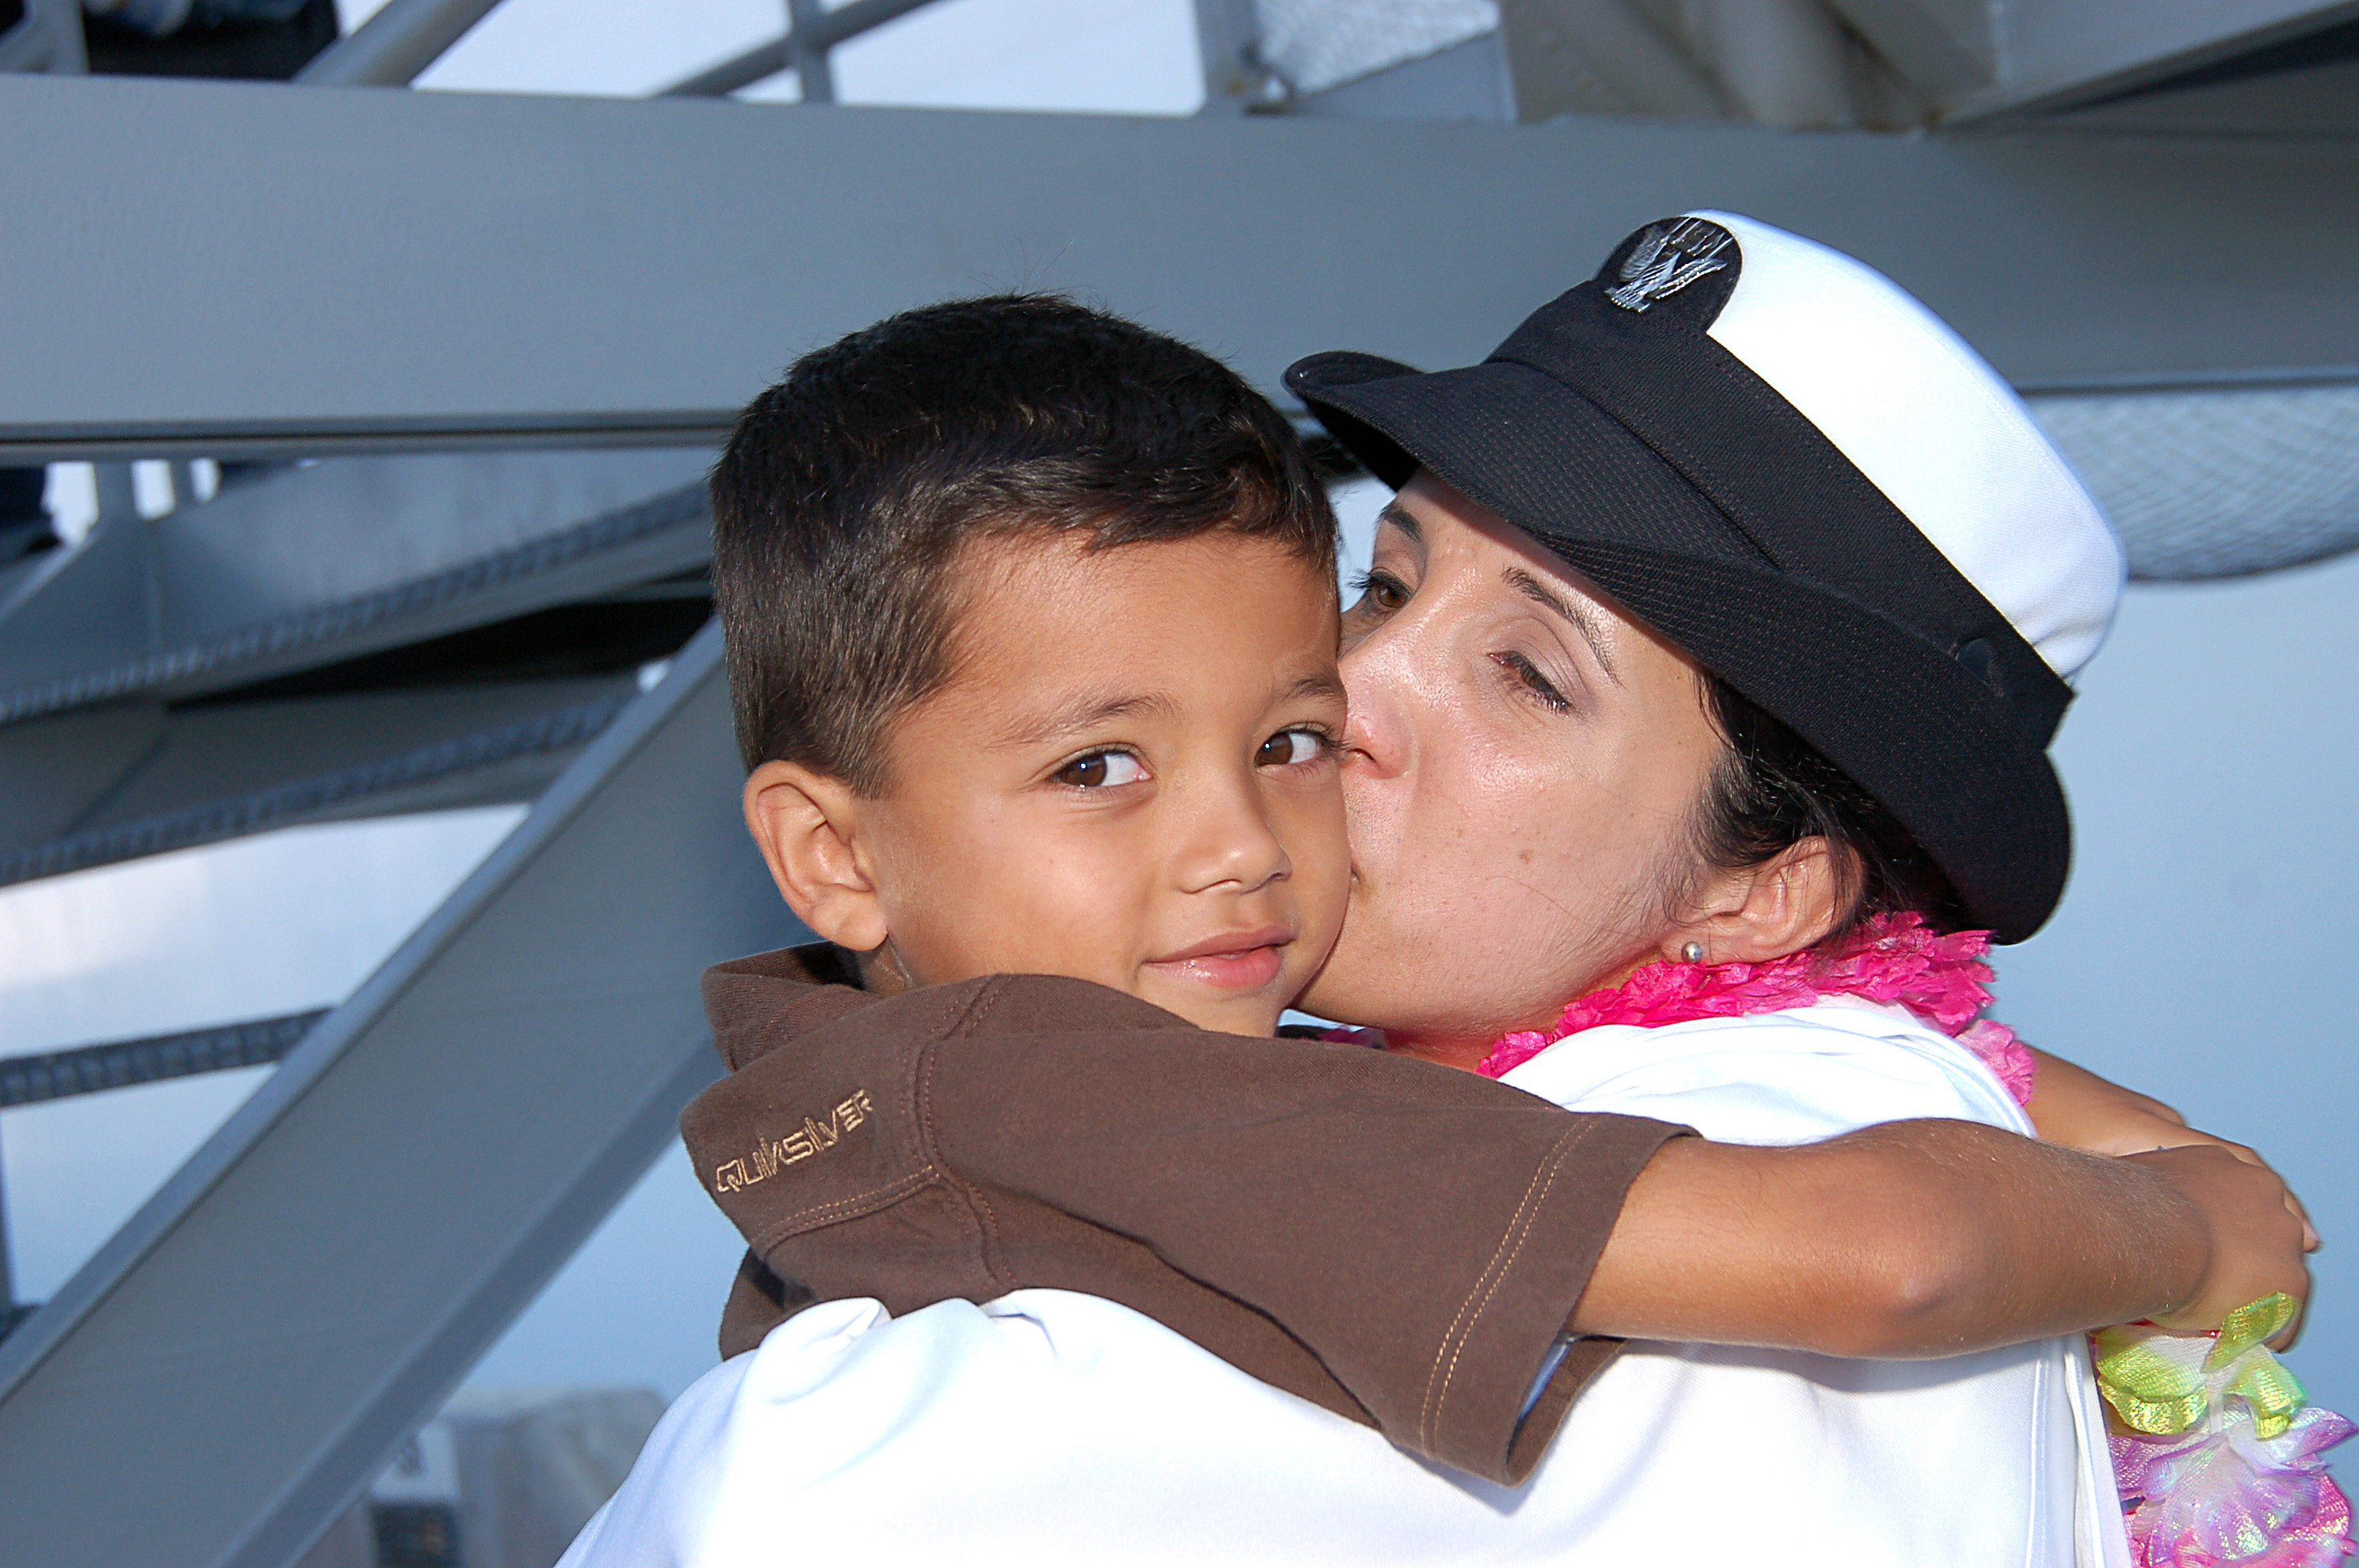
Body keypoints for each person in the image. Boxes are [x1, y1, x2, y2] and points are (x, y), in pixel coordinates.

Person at [562, 249, 2315, 1565]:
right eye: (1383, 583)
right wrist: (2177, 1207)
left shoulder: (1776, 1153)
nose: (1347, 693)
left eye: (1528, 678)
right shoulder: (1094, 1065)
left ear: (1765, 889)